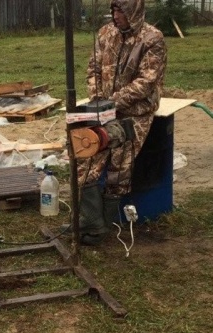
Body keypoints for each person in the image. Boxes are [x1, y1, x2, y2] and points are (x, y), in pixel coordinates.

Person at [77, 0, 167, 245]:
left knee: (119, 167)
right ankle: (91, 221)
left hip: (135, 112)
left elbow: (146, 81)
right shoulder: (105, 33)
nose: (116, 16)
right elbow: (93, 69)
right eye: (114, 10)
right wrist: (98, 98)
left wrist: (113, 102)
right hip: (103, 110)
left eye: (122, 11)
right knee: (87, 157)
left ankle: (104, 226)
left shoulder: (152, 38)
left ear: (134, 11)